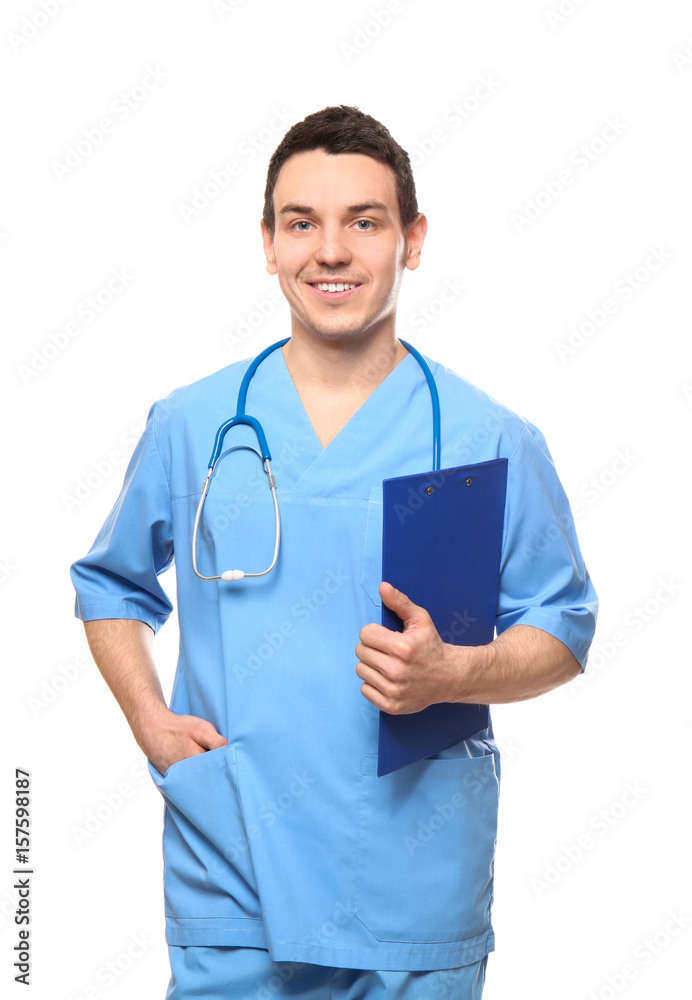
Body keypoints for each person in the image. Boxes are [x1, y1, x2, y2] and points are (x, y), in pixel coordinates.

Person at [70, 104, 598, 999]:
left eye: (365, 221)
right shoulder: (193, 425)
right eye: (301, 222)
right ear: (268, 245)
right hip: (232, 869)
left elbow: (565, 626)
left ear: (412, 240)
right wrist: (152, 725)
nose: (331, 251)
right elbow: (111, 585)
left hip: (412, 888)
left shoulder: (488, 437)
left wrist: (453, 672)